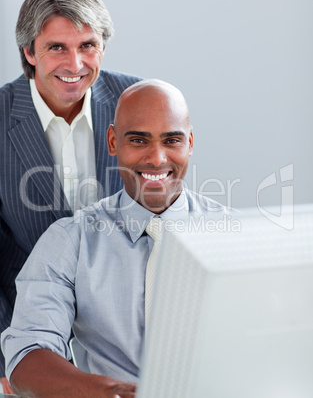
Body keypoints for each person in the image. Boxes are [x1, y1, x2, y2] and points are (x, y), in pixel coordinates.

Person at [1, 79, 234, 397]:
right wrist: (108, 391)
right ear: (112, 142)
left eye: (172, 141)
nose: (156, 158)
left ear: (190, 142)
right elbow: (27, 353)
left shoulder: (236, 237)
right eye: (138, 140)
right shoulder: (71, 241)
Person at [0, 0, 141, 390]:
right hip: (26, 339)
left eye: (87, 46)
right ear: (29, 52)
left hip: (125, 343)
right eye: (57, 47)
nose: (75, 65)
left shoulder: (135, 102)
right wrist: (8, 361)